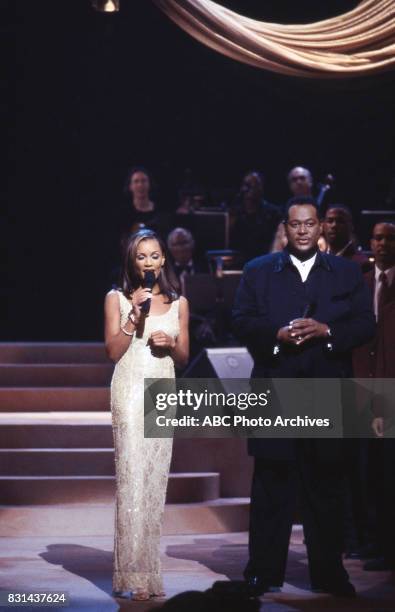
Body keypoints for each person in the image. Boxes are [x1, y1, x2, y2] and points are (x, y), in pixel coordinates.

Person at [232, 196, 376, 597]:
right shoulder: (259, 271)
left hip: (326, 390)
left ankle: (329, 573)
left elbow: (366, 323)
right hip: (275, 388)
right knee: (271, 487)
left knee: (326, 486)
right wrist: (275, 336)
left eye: (310, 224)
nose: (302, 231)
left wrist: (328, 331)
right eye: (295, 224)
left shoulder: (346, 273)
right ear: (285, 227)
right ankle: (262, 571)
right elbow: (241, 320)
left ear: (320, 227)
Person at [104, 229, 189, 600]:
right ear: (132, 263)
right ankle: (131, 574)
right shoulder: (117, 298)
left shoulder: (179, 302)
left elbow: (185, 357)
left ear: (164, 260)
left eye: (154, 256)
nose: (149, 262)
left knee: (154, 481)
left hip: (162, 390)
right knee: (132, 478)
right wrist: (133, 316)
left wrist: (171, 343)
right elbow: (112, 350)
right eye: (141, 257)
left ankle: (149, 573)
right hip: (129, 388)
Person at [353, 221, 395, 571]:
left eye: (390, 238)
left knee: (388, 469)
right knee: (370, 468)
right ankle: (373, 540)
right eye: (378, 238)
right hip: (364, 387)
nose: (383, 244)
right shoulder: (363, 283)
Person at [230, 170, 283, 262]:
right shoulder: (235, 213)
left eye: (253, 185)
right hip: (238, 263)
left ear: (261, 187)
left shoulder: (274, 213)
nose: (247, 189)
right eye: (246, 185)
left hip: (265, 262)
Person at [323, 205, 371, 271]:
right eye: (330, 221)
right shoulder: (317, 260)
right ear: (323, 226)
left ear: (351, 226)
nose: (334, 225)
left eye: (340, 221)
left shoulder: (361, 263)